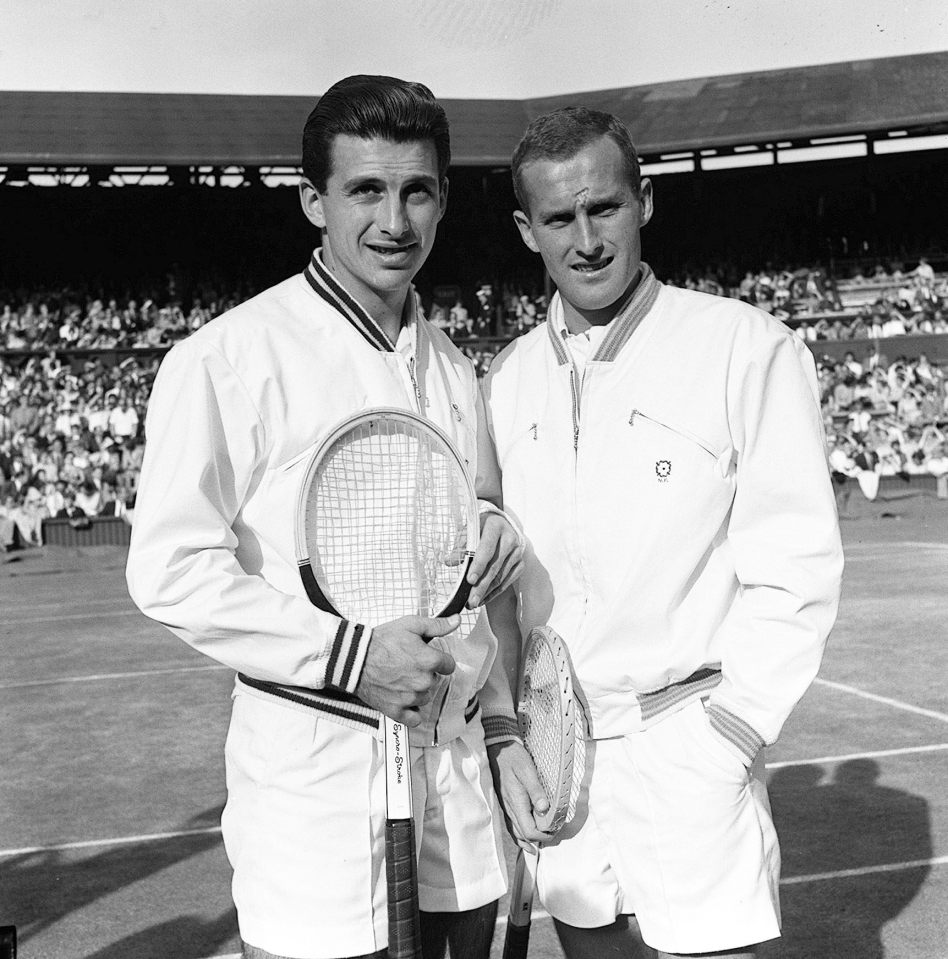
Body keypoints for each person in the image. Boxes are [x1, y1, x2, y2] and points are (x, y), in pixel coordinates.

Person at [126, 75, 524, 959]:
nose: (394, 220)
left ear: (445, 198)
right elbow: (168, 568)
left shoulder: (457, 367)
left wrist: (491, 531)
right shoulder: (228, 358)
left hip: (452, 778)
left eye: (417, 190)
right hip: (315, 784)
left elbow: (464, 547)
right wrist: (351, 657)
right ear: (313, 200)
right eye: (366, 191)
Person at [477, 107, 844, 959]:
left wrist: (734, 733)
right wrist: (509, 737)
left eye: (603, 207)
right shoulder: (504, 381)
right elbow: (497, 591)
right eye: (560, 219)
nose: (587, 239)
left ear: (644, 201)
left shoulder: (745, 347)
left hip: (689, 745)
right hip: (561, 755)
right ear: (527, 230)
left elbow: (796, 566)